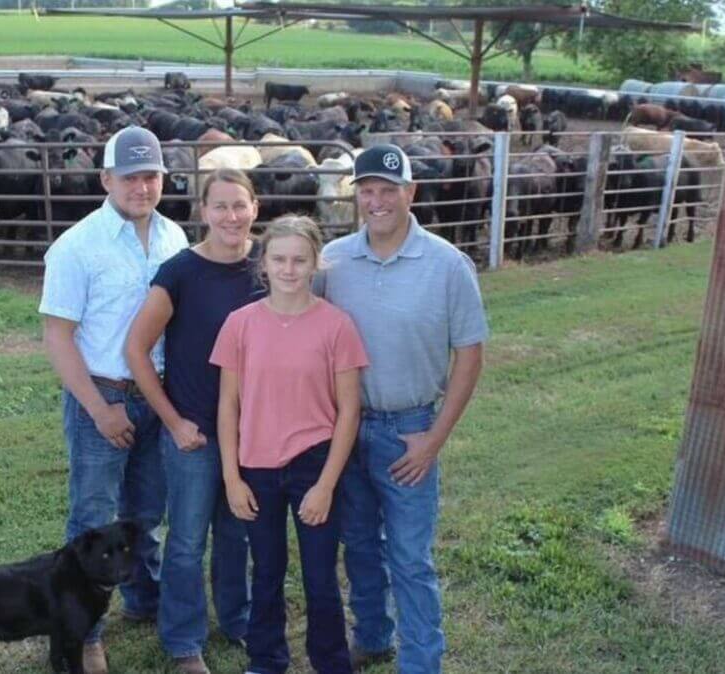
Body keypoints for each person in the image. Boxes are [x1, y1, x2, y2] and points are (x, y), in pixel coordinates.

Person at [314, 145, 488, 674]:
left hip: (410, 427)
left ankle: (421, 663)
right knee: (360, 544)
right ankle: (373, 635)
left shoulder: (447, 265)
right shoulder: (335, 260)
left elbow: (470, 353)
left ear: (410, 193)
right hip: (347, 426)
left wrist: (434, 438)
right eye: (367, 190)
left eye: (389, 190)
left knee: (410, 558)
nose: (377, 200)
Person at [38, 126, 189, 674]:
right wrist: (99, 409)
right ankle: (85, 633)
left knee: (147, 512)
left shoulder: (176, 239)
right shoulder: (78, 246)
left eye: (150, 176)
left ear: (163, 179)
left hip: (158, 393)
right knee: (94, 518)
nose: (141, 187)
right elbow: (57, 335)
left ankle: (143, 601)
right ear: (106, 179)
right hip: (102, 391)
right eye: (130, 177)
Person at [211, 215, 368, 674]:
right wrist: (231, 477)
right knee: (267, 571)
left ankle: (331, 663)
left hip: (314, 464)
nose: (289, 268)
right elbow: (228, 408)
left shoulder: (336, 326)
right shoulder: (239, 325)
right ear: (264, 263)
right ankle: (267, 660)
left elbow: (349, 413)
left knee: (320, 577)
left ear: (316, 263)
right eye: (279, 258)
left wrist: (325, 485)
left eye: (300, 260)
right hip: (256, 465)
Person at [124, 169, 263, 674]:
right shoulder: (180, 271)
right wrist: (173, 421)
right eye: (220, 206)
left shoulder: (270, 267)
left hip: (251, 433)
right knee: (185, 540)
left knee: (238, 532)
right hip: (196, 432)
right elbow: (137, 350)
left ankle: (237, 617)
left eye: (239, 205)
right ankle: (184, 641)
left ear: (256, 208)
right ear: (203, 211)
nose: (231, 216)